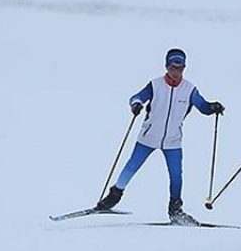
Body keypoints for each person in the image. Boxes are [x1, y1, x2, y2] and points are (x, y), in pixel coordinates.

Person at [94, 48, 224, 223]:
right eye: (173, 67)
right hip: (148, 137)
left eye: (180, 68)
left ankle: (175, 210)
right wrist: (136, 105)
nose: (176, 72)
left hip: (173, 141)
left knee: (176, 175)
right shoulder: (155, 85)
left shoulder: (189, 89)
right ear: (166, 66)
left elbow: (203, 107)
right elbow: (136, 97)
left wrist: (213, 107)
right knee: (132, 166)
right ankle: (113, 196)